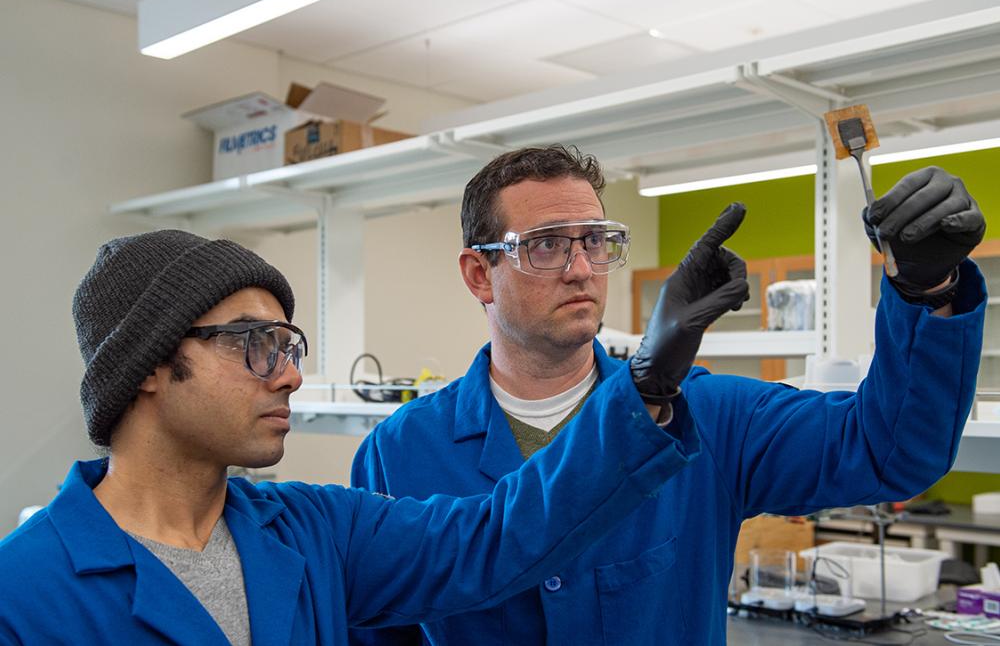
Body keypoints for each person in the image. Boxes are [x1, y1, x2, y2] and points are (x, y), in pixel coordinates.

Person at [350, 146, 988, 646]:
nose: (579, 268)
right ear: (477, 274)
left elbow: (891, 453)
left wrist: (927, 292)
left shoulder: (705, 416)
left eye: (594, 241)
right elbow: (377, 631)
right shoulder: (398, 453)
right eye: (545, 245)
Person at [0, 223, 746, 645]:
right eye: (256, 343)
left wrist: (644, 386)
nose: (288, 375)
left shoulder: (317, 531)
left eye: (287, 347)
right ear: (150, 367)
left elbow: (503, 533)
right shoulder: (24, 591)